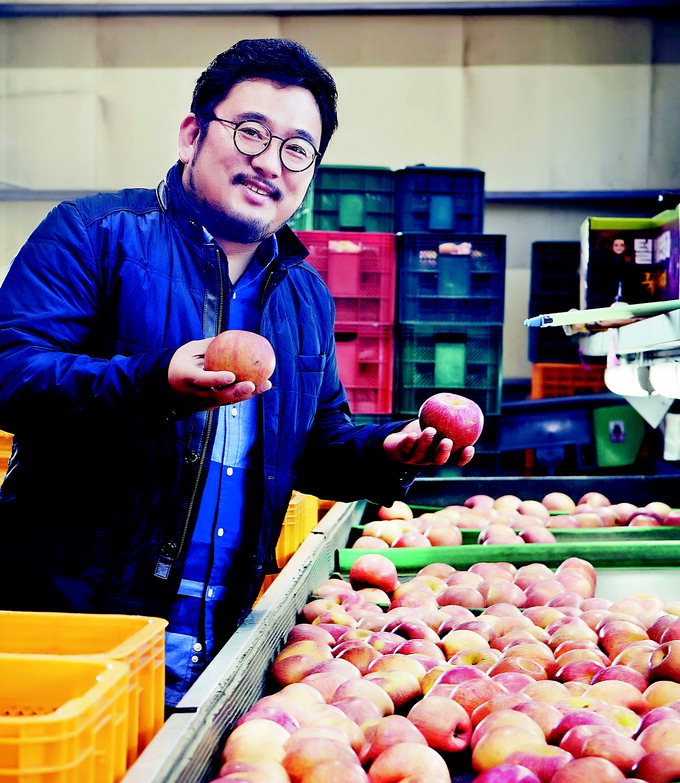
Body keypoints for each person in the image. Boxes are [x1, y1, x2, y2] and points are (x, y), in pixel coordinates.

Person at [0, 38, 475, 706]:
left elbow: (315, 448)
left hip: (214, 651)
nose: (269, 163)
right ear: (192, 133)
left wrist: (388, 450)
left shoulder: (302, 293)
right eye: (251, 132)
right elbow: (12, 375)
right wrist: (152, 379)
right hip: (74, 645)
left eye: (296, 149)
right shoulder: (93, 233)